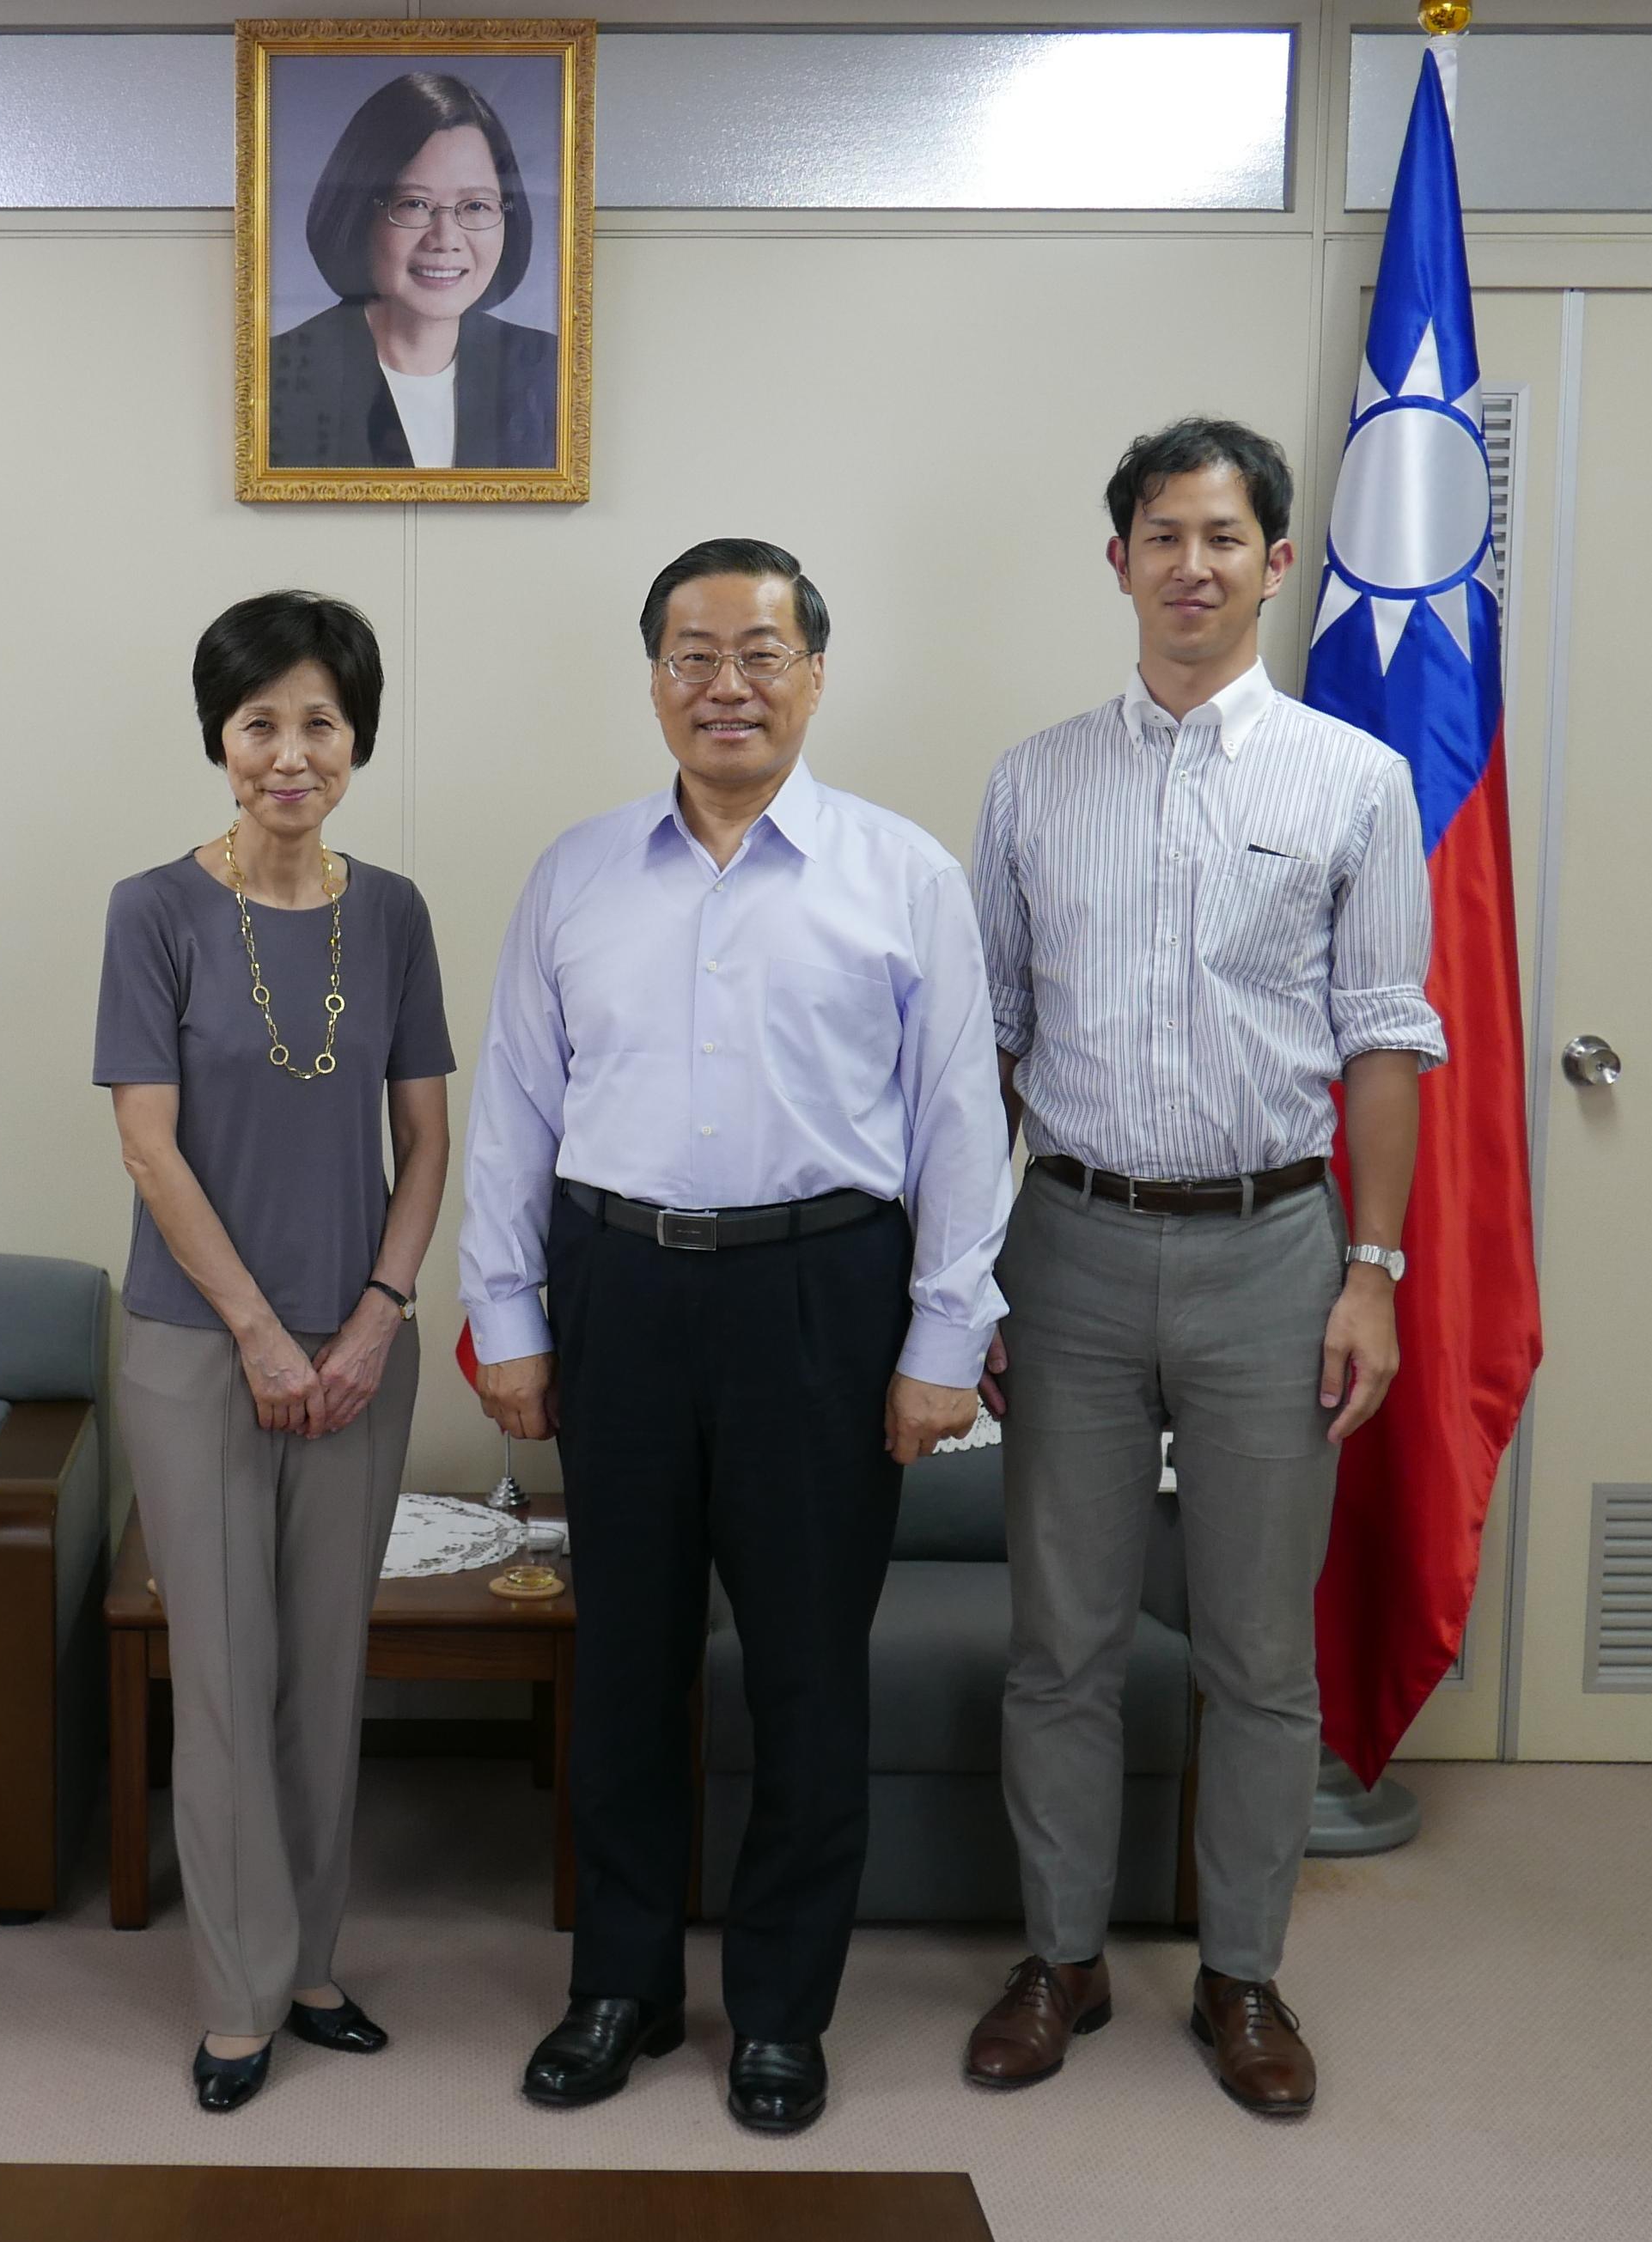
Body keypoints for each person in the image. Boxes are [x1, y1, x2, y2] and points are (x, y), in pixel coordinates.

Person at [460, 539, 1012, 2137]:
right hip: (618, 1289)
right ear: (654, 681)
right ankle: (620, 1987)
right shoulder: (575, 873)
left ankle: (779, 2010)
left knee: (808, 1677)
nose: (727, 685)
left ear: (815, 676)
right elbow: (514, 1109)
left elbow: (960, 1122)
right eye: (693, 655)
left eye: (761, 653)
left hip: (823, 1295)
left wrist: (942, 1341)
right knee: (625, 1661)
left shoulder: (903, 874)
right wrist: (508, 1317)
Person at [963, 419, 1444, 2119]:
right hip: (1071, 1249)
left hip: (1274, 1253)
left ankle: (1241, 1974)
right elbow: (985, 1047)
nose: (1191, 566)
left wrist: (1371, 1271)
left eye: (1223, 538)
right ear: (1118, 563)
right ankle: (1060, 1957)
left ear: (1275, 561)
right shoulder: (1031, 783)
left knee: (1256, 1654)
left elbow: (1384, 1039)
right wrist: (971, 1275)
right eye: (1161, 536)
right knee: (1061, 1645)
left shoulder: (1352, 781)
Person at [94, 590, 453, 2113]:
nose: (290, 753)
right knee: (228, 1680)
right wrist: (256, 1330)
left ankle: (312, 1965)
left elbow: (426, 1140)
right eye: (260, 724)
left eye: (320, 722)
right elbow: (149, 1146)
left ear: (355, 740)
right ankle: (236, 2001)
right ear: (219, 739)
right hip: (198, 1348)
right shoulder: (154, 910)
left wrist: (375, 1314)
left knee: (325, 1669)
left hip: (359, 1347)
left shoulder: (397, 913)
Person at [268, 71, 557, 472]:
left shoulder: (549, 369)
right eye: (414, 204)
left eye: (476, 206)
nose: (445, 239)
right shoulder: (276, 377)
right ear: (358, 215)